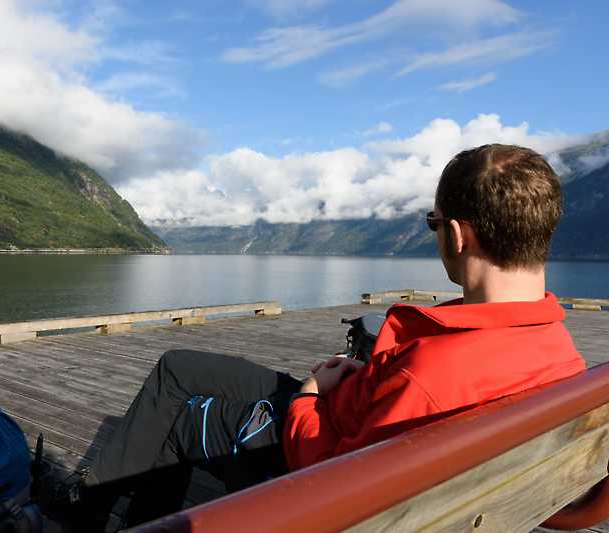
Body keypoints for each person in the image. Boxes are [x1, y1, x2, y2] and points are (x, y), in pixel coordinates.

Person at [53, 144, 585, 531]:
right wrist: (367, 375)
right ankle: (87, 506)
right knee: (178, 367)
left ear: (457, 234)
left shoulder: (431, 374)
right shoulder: (561, 352)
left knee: (184, 414)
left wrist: (310, 395)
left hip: (312, 447)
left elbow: (334, 473)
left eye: (433, 222)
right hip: (363, 412)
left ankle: (82, 514)